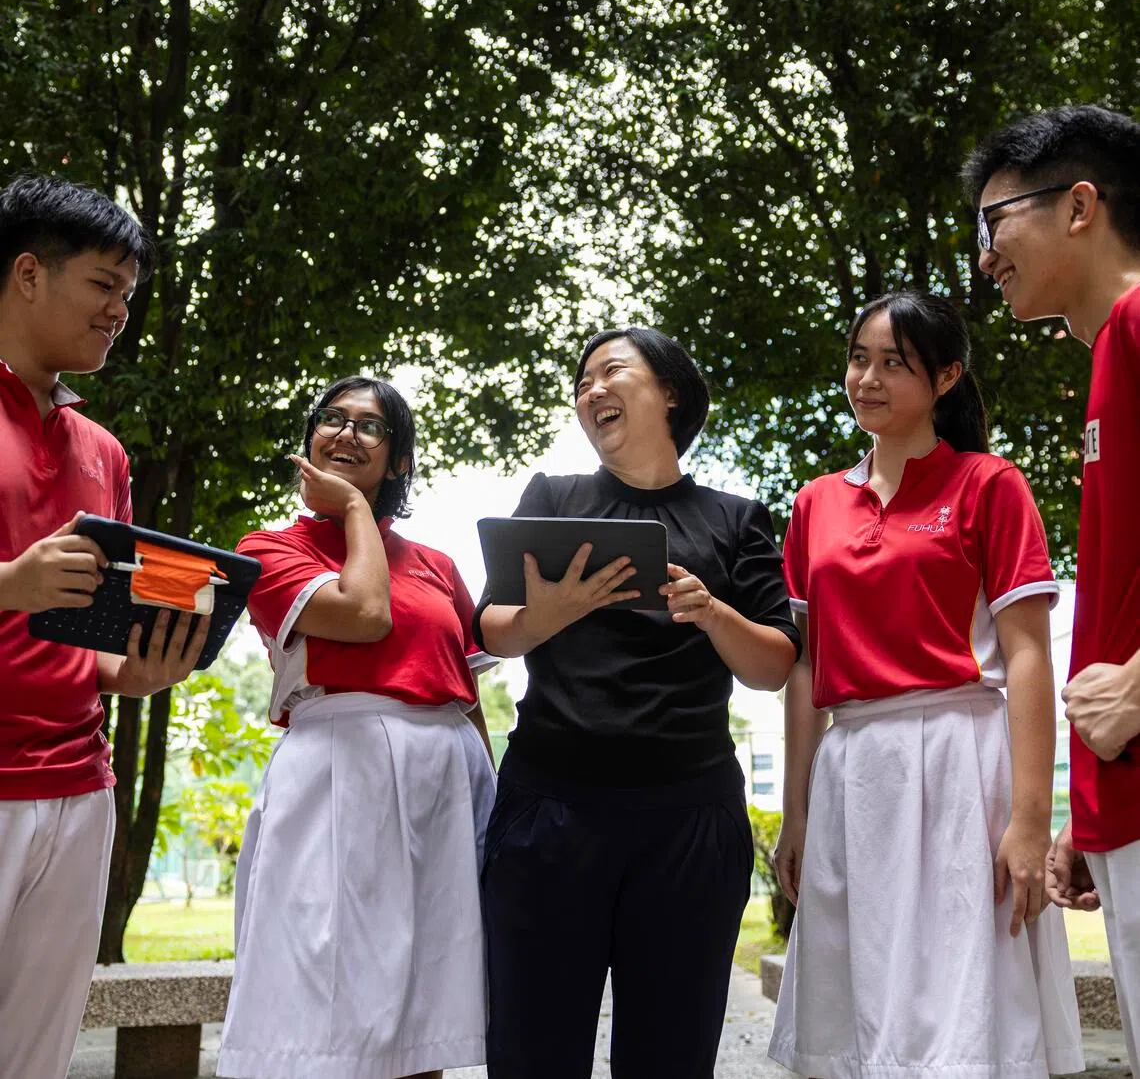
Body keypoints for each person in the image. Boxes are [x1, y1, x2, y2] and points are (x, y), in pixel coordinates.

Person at [768, 291, 1083, 1079]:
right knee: (861, 1006)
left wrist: (1027, 820)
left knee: (960, 1003)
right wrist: (797, 811)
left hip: (959, 762)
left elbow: (1030, 659)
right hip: (852, 771)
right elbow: (806, 664)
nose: (866, 379)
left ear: (946, 376)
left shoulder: (988, 484)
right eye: (858, 359)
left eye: (893, 364)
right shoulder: (815, 504)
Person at [474, 327, 800, 1079]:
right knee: (530, 1051)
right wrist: (555, 610)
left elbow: (775, 664)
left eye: (612, 371)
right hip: (548, 814)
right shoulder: (554, 496)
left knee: (670, 1057)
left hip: (689, 822)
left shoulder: (735, 517)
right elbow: (493, 626)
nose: (592, 390)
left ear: (671, 392)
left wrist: (712, 611)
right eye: (582, 380)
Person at [215, 375, 496, 1079]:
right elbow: (363, 613)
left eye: (369, 426)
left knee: (427, 1007)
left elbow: (465, 689)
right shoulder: (269, 549)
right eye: (331, 419)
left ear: (399, 459)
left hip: (444, 785)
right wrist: (351, 512)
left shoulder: (437, 564)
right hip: (336, 777)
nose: (344, 433)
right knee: (328, 1000)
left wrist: (494, 797)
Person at [0, 174, 208, 1079]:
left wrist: (142, 671)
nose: (120, 310)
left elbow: (97, 647)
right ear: (29, 275)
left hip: (80, 790)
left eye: (130, 294)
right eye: (104, 285)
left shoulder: (105, 452)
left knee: (34, 1057)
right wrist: (12, 581)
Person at [963, 104, 1140, 1076]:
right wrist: (1092, 820)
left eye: (998, 224)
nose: (986, 258)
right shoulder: (1110, 357)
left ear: (1080, 206)